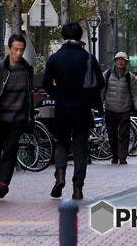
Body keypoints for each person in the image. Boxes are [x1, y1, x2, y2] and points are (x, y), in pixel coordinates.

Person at [42, 21, 104, 201]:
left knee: (61, 143)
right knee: (80, 148)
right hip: (82, 106)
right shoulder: (88, 57)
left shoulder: (55, 58)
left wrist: (58, 94)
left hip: (62, 106)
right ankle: (78, 187)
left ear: (63, 36)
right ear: (79, 36)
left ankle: (60, 176)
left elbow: (46, 83)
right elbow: (99, 82)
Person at [0, 34, 33, 199]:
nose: (18, 53)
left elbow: (28, 96)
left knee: (11, 150)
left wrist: (29, 117)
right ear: (8, 49)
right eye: (15, 49)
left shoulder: (27, 69)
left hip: (18, 118)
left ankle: (3, 183)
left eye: (21, 50)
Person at [102, 52, 137, 165]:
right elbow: (102, 90)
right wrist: (99, 105)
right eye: (118, 59)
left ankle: (123, 157)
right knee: (112, 133)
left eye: (123, 59)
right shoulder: (107, 74)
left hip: (125, 109)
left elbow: (135, 93)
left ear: (126, 62)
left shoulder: (130, 77)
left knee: (124, 134)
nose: (120, 61)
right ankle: (115, 155)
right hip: (110, 108)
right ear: (114, 61)